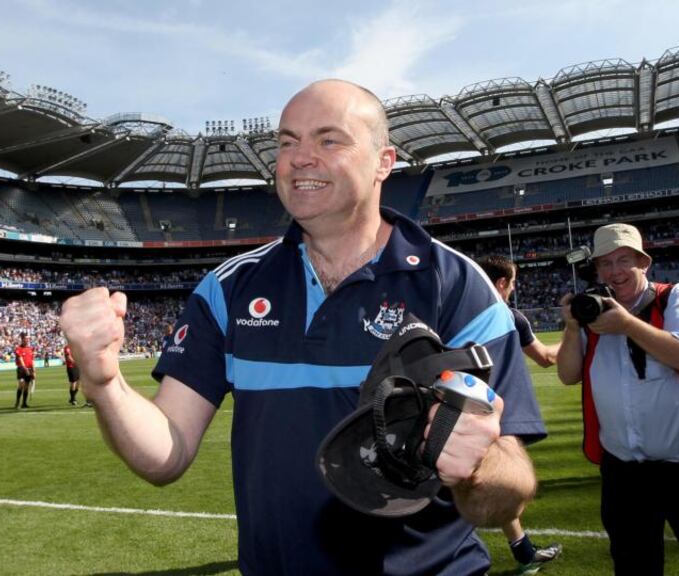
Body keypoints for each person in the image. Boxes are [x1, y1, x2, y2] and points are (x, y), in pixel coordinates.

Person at [60, 79, 545, 576]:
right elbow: (167, 454)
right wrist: (104, 384)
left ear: (384, 162)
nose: (299, 157)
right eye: (287, 141)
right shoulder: (227, 290)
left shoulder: (456, 285)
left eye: (328, 139)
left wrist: (478, 462)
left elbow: (504, 501)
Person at [556, 223, 679, 575]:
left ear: (643, 263)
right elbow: (568, 374)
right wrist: (574, 326)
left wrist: (627, 325)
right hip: (623, 469)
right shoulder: (594, 310)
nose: (614, 271)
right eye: (605, 264)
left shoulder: (675, 298)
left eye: (623, 260)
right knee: (633, 565)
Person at [476, 254, 562, 573]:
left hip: (456, 412)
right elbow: (545, 358)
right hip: (498, 416)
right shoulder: (510, 316)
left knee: (493, 483)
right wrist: (576, 336)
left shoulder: (453, 310)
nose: (514, 288)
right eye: (512, 282)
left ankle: (523, 551)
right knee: (511, 485)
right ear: (501, 283)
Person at [14, 333, 35, 409]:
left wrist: (34, 370)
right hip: (21, 369)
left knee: (26, 387)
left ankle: (24, 403)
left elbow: (32, 360)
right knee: (21, 385)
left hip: (29, 369)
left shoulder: (30, 349)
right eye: (25, 339)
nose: (27, 340)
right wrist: (25, 368)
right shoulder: (18, 348)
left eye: (27, 339)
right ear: (22, 340)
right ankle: (17, 402)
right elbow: (20, 359)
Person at [63, 342, 81, 406]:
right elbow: (68, 357)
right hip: (71, 367)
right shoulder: (67, 347)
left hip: (77, 367)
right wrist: (76, 363)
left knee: (78, 383)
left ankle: (72, 398)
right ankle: (73, 399)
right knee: (73, 383)